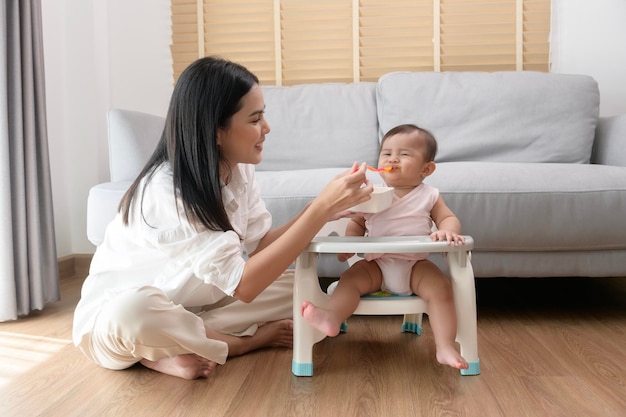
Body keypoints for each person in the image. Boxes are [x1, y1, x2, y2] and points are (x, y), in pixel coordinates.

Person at [72, 56, 373, 380]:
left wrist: (321, 208)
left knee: (300, 286)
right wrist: (321, 209)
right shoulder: (166, 190)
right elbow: (244, 286)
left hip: (199, 307)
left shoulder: (238, 169)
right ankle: (239, 344)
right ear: (216, 131)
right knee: (133, 313)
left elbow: (261, 247)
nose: (267, 128)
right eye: (255, 119)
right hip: (122, 319)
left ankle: (173, 347)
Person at [301, 124, 469, 370]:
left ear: (427, 168)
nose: (392, 158)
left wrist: (448, 230)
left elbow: (448, 218)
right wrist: (351, 242)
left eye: (404, 154)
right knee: (350, 279)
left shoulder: (429, 195)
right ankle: (332, 317)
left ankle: (444, 346)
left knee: (442, 289)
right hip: (377, 264)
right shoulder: (372, 194)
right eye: (387, 153)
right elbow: (357, 221)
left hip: (415, 266)